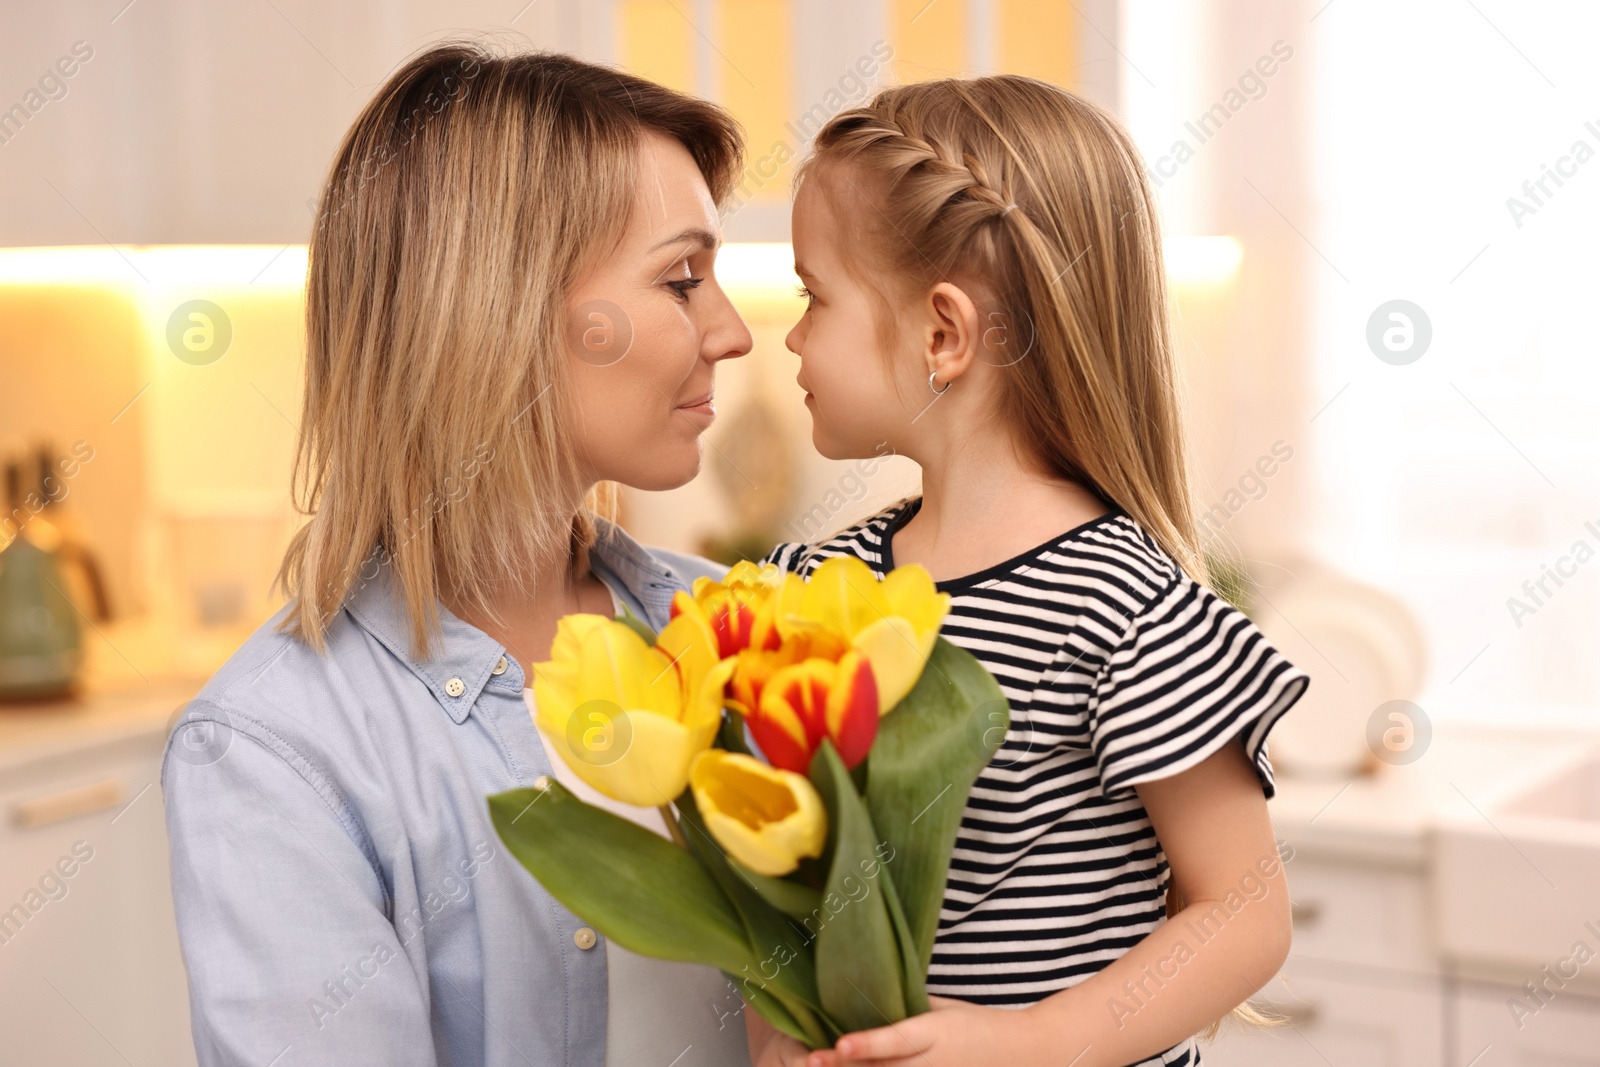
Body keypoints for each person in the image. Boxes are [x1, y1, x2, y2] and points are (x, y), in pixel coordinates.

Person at [161, 42, 756, 1067]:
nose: (733, 332)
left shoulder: (741, 630)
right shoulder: (271, 750)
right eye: (682, 278)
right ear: (503, 303)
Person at [750, 75, 1309, 1067]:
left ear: (943, 332)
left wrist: (1041, 1038)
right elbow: (781, 889)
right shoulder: (813, 583)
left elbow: (1245, 906)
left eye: (813, 295)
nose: (790, 335)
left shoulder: (1120, 606)